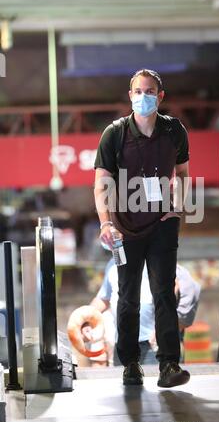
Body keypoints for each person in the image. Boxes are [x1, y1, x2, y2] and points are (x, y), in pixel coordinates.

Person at [94, 69, 190, 387]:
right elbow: (102, 183)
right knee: (128, 296)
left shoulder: (174, 130)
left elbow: (183, 174)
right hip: (124, 229)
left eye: (149, 91)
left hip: (162, 226)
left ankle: (169, 365)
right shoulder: (115, 134)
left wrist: (177, 209)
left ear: (160, 97)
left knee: (164, 293)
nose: (143, 96)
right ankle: (131, 364)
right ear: (130, 94)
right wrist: (106, 222)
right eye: (137, 91)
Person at [83, 260, 201, 367]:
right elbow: (104, 298)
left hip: (154, 345)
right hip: (123, 343)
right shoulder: (114, 263)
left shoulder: (158, 258)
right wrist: (84, 319)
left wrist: (164, 327)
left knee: (158, 388)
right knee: (125, 388)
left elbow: (181, 290)